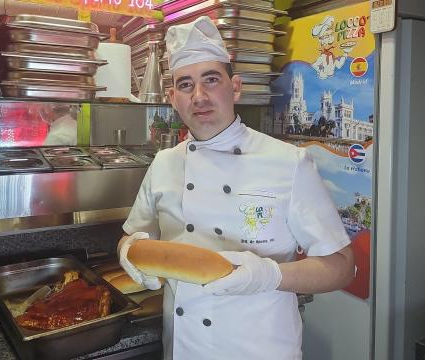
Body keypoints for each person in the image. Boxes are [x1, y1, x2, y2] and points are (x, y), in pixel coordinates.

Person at [117, 16, 355, 360]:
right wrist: (128, 250)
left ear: (236, 87)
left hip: (259, 349)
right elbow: (133, 235)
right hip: (184, 349)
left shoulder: (289, 163)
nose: (199, 96)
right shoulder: (164, 163)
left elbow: (342, 267)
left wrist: (268, 276)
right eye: (185, 85)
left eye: (211, 79)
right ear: (172, 98)